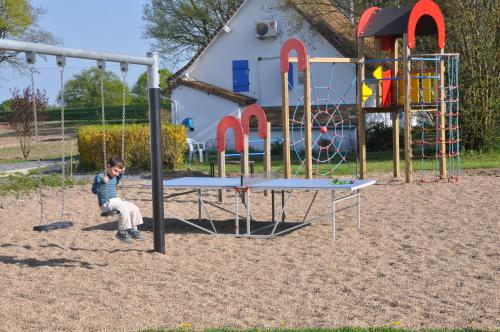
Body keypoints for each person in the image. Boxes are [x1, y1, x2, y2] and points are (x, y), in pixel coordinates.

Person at [92, 156, 144, 244]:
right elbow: (94, 191)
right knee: (124, 208)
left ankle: (133, 229)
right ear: (108, 167)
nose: (116, 173)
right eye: (115, 170)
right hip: (106, 204)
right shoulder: (100, 177)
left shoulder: (115, 177)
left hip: (116, 201)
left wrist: (122, 172)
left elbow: (118, 178)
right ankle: (122, 232)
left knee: (133, 207)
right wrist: (102, 182)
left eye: (118, 172)